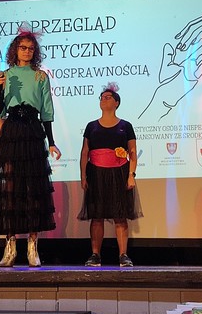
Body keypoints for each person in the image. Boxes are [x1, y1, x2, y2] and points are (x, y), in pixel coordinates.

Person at [0, 27, 61, 267]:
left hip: (32, 131)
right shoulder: (6, 74)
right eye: (23, 48)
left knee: (34, 190)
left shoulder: (40, 76)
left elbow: (47, 111)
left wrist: (51, 142)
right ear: (15, 50)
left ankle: (33, 246)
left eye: (31, 48)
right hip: (12, 131)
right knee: (10, 189)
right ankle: (10, 247)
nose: (27, 51)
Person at [78, 83, 141, 267]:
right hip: (96, 174)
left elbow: (133, 152)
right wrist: (83, 176)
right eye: (102, 97)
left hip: (119, 173)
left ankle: (123, 255)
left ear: (116, 103)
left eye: (108, 97)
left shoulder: (126, 126)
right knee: (97, 215)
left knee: (120, 215)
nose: (104, 99)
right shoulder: (91, 126)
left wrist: (131, 175)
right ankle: (95, 255)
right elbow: (85, 152)